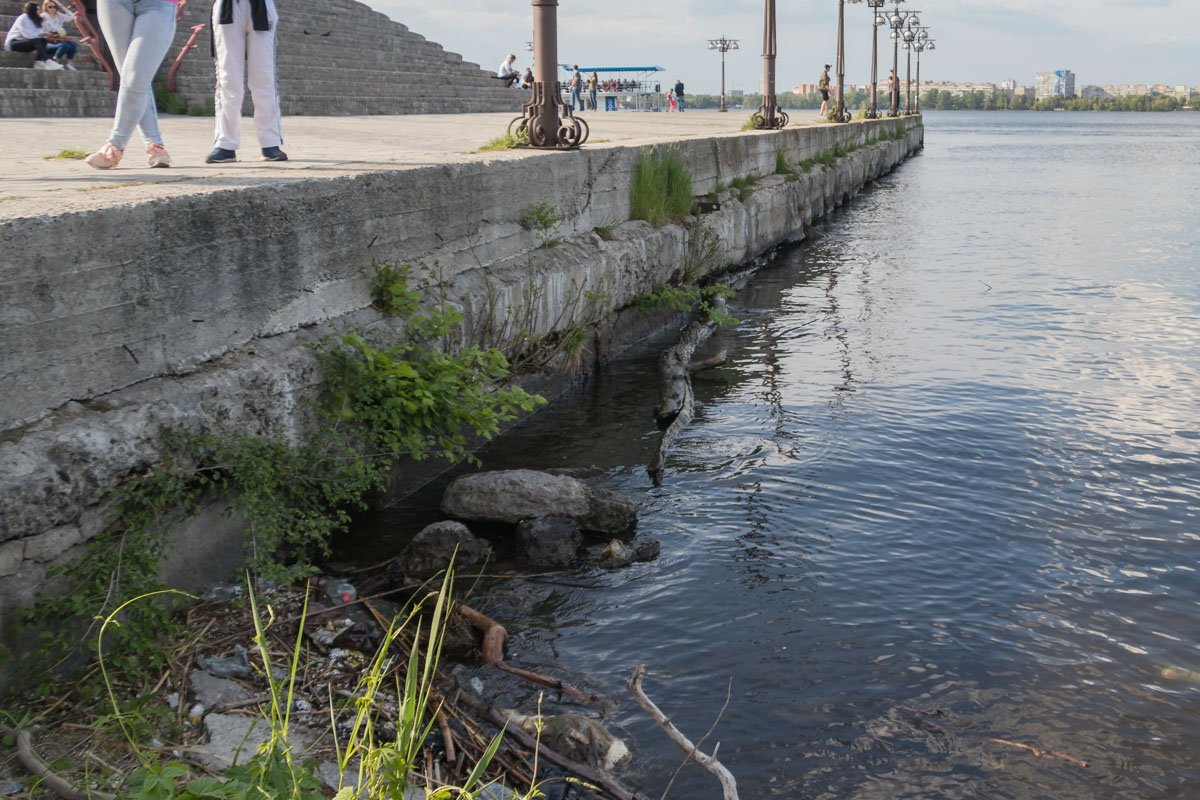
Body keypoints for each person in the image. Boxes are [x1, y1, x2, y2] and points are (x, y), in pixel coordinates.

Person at [84, 0, 177, 168]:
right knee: (130, 77)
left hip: (159, 4)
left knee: (136, 76)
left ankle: (115, 145)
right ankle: (155, 145)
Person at [206, 0, 287, 164]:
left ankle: (270, 143)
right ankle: (226, 144)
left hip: (261, 7)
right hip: (227, 7)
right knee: (228, 79)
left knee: (264, 78)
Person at [4, 2, 61, 70]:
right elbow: (27, 34)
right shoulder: (23, 18)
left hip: (26, 42)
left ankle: (38, 62)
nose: (40, 11)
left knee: (43, 40)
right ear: (32, 9)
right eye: (38, 9)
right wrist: (41, 34)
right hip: (13, 43)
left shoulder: (35, 19)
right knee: (36, 40)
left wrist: (46, 34)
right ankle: (47, 61)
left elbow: (37, 33)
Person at [39, 0, 77, 69]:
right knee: (64, 45)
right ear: (46, 7)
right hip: (47, 41)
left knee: (73, 45)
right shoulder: (42, 17)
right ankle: (55, 61)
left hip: (58, 39)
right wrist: (49, 34)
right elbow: (38, 32)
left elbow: (71, 17)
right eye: (50, 7)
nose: (53, 9)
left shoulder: (59, 15)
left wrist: (60, 5)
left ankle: (69, 63)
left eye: (54, 6)